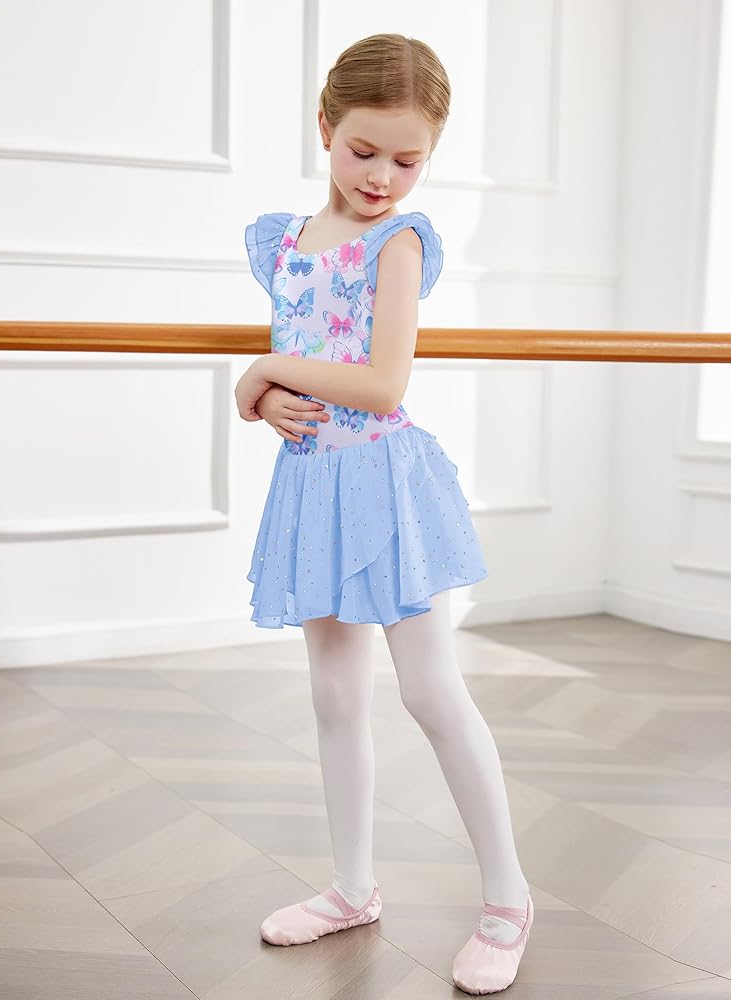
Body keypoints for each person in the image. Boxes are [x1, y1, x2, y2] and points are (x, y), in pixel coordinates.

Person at [235, 33, 534, 996]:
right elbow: (301, 367)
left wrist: (262, 370)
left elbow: (379, 382)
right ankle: (352, 887)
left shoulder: (396, 244)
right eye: (363, 151)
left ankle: (507, 899)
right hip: (310, 487)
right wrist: (261, 394)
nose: (381, 177)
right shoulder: (283, 242)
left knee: (429, 691)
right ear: (324, 127)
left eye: (408, 160)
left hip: (383, 484)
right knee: (333, 695)